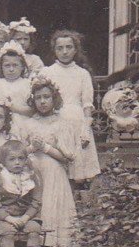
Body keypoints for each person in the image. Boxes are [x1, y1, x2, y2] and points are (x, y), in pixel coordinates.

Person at [15, 77, 78, 247]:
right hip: (32, 174)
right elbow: (17, 154)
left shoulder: (62, 124)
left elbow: (67, 158)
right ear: (33, 100)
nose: (42, 101)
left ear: (54, 99)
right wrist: (31, 148)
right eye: (38, 98)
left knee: (52, 207)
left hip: (53, 174)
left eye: (46, 97)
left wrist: (45, 147)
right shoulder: (28, 124)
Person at [41, 30, 101, 183]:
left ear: (75, 50)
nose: (64, 52)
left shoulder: (82, 74)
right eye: (60, 48)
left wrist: (86, 130)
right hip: (55, 122)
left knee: (78, 175)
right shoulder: (47, 72)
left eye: (69, 47)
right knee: (57, 170)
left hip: (77, 123)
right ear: (54, 50)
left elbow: (87, 104)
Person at [0, 42, 34, 129]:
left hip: (24, 124)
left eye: (15, 65)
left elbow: (33, 111)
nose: (11, 69)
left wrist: (14, 108)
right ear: (1, 67)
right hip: (0, 125)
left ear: (22, 67)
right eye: (7, 65)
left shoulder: (28, 84)